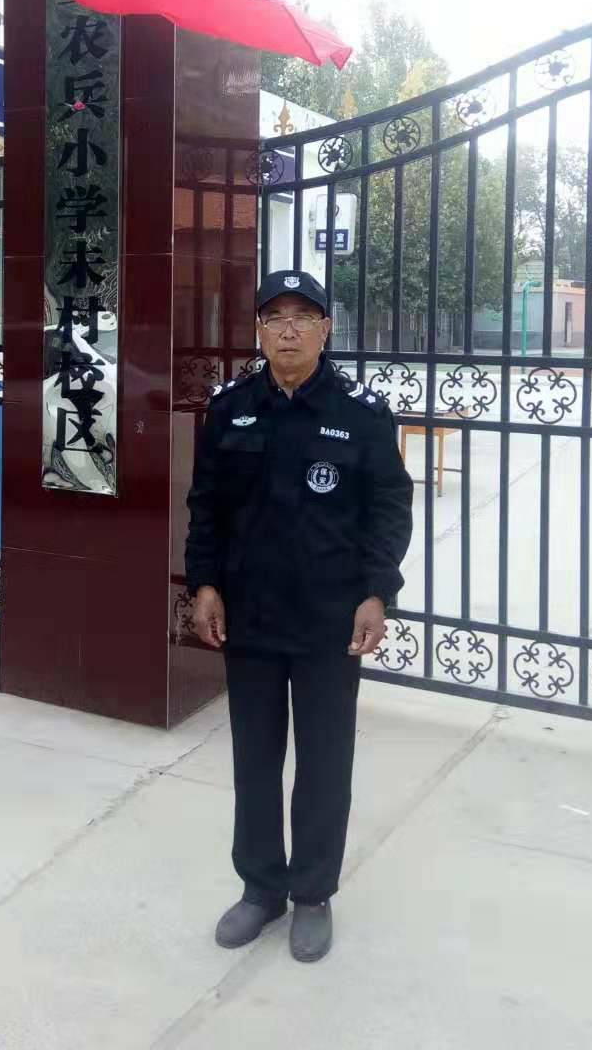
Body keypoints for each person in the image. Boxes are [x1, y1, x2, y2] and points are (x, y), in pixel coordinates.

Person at [185, 269, 413, 963]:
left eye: (303, 317)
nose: (288, 330)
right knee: (254, 760)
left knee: (323, 761)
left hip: (327, 620)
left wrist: (377, 592)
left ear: (325, 329)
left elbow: (389, 509)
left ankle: (312, 893)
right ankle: (261, 889)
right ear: (258, 331)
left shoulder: (362, 413)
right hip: (249, 617)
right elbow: (206, 506)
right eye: (275, 317)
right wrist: (204, 584)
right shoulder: (231, 409)